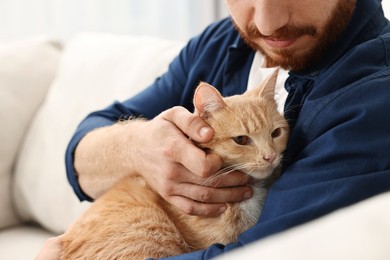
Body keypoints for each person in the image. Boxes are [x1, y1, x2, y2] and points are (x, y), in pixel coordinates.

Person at [37, 0, 390, 259]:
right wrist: (138, 146)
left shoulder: (372, 97)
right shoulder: (223, 41)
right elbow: (80, 156)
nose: (267, 23)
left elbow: (259, 254)